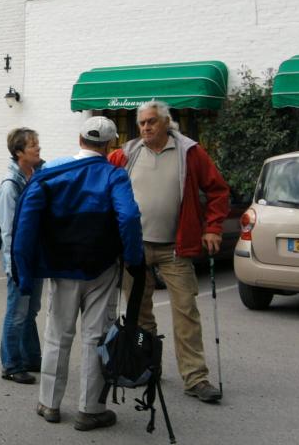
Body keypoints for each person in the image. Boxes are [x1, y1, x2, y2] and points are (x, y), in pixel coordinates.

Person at [12, 116, 144, 431]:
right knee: (96, 337)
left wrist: (23, 271)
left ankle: (49, 404)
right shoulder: (115, 175)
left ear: (80, 138)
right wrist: (135, 259)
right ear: (109, 144)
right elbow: (128, 218)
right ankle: (91, 409)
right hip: (102, 269)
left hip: (60, 268)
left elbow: (26, 224)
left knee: (57, 335)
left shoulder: (50, 173)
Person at [108, 100, 229, 403]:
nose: (146, 127)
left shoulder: (190, 152)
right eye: (142, 123)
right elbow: (99, 174)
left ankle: (196, 378)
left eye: (151, 122)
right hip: (135, 247)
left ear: (166, 123)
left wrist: (213, 227)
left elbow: (218, 190)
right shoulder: (128, 153)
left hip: (174, 248)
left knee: (186, 309)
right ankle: (148, 367)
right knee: (141, 311)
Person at [0, 127, 43, 384]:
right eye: (33, 145)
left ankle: (31, 358)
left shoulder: (35, 176)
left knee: (30, 310)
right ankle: (11, 365)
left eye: (37, 143)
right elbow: (8, 234)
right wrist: (13, 266)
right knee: (16, 312)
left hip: (36, 258)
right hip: (20, 261)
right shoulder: (9, 186)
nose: (38, 148)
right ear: (18, 152)